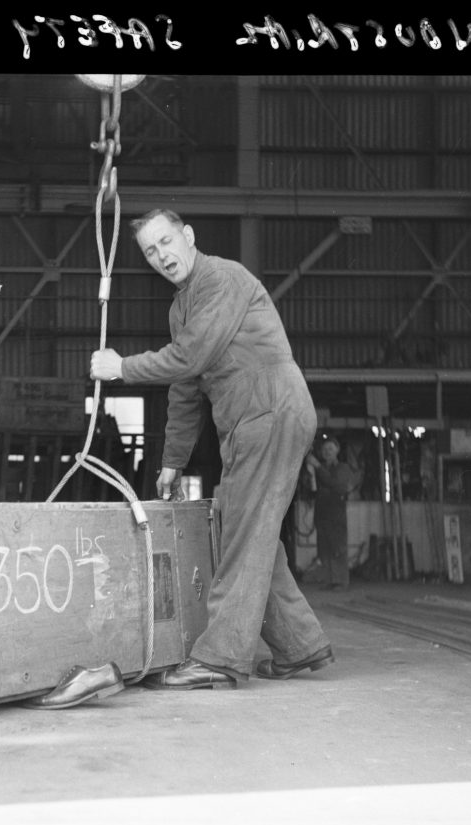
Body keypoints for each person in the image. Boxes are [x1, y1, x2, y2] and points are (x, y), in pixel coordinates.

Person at [90, 209, 334, 687]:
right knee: (245, 530)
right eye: (150, 251)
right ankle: (299, 645)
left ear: (188, 236)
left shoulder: (221, 279)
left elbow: (190, 356)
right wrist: (172, 462)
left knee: (242, 535)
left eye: (166, 242)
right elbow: (185, 385)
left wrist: (121, 368)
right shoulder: (182, 307)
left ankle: (220, 658)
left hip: (269, 412)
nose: (162, 256)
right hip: (249, 422)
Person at [306, 435, 355, 590]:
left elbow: (336, 484)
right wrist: (311, 474)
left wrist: (318, 467)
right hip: (322, 514)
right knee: (324, 548)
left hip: (336, 515)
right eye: (325, 449)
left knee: (337, 547)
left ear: (337, 450)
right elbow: (312, 491)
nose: (327, 452)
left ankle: (341, 581)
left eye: (330, 449)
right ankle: (329, 580)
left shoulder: (343, 468)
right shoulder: (319, 470)